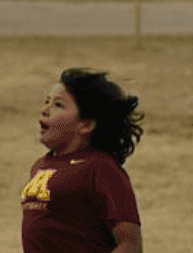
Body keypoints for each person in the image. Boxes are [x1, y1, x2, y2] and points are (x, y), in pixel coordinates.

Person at [21, 67, 144, 253]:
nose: (45, 110)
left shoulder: (100, 167)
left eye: (58, 105)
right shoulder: (39, 166)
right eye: (47, 101)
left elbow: (130, 244)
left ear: (86, 124)